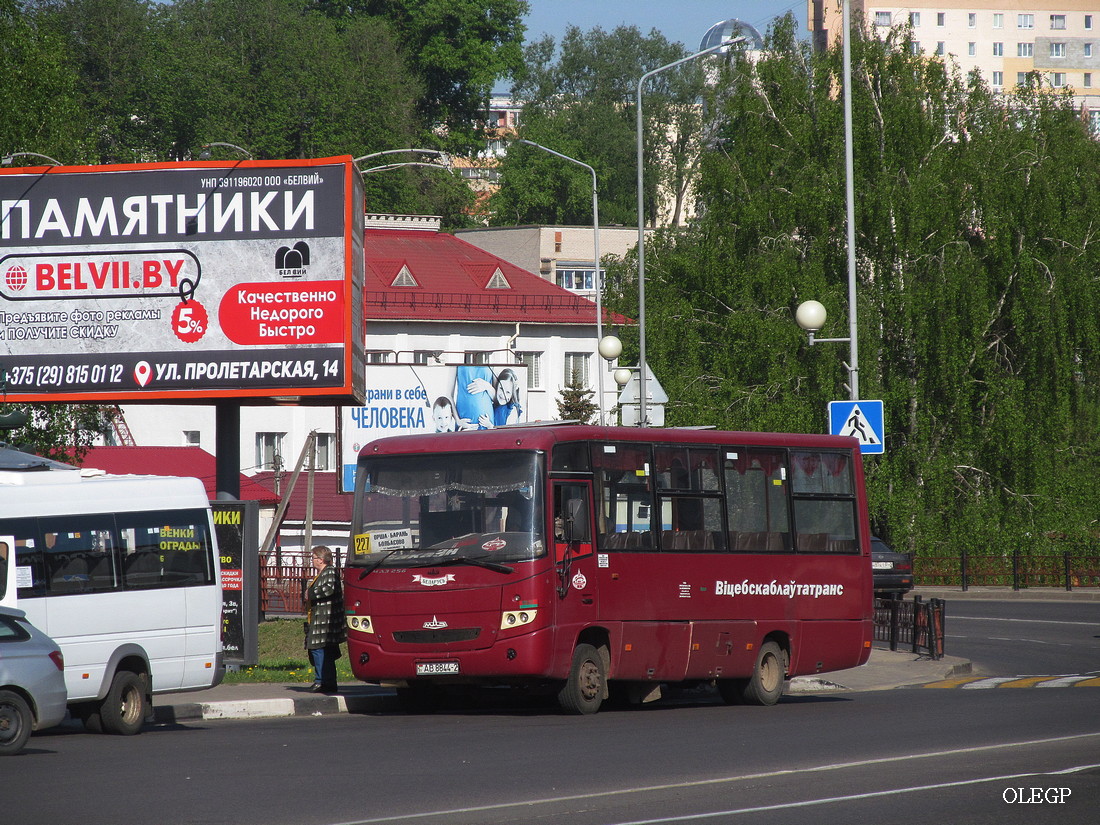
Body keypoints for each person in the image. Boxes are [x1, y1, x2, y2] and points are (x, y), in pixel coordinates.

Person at [304, 546, 346, 693]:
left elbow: (329, 589)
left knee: (318, 649)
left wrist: (310, 593)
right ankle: (328, 682)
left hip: (326, 619)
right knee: (324, 650)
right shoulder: (323, 572)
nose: (312, 561)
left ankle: (321, 681)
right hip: (320, 617)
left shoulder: (330, 572)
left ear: (321, 559)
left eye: (314, 558)